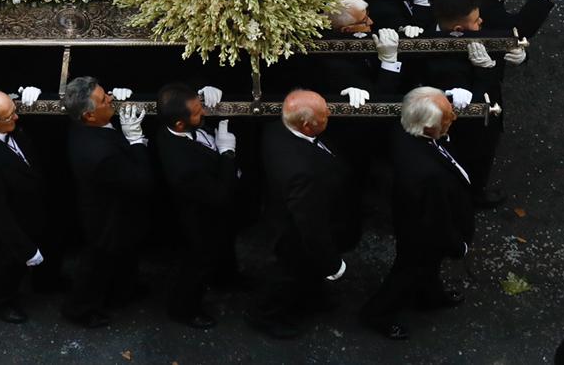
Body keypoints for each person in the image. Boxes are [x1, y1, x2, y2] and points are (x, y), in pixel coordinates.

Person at [360, 87, 476, 341]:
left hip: (412, 217)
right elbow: (437, 220)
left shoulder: (404, 129)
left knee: (425, 268)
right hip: (421, 231)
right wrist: (458, 247)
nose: (452, 119)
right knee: (408, 272)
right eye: (446, 118)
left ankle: (429, 297)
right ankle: (377, 314)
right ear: (427, 128)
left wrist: (445, 96)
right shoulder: (427, 175)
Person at [248, 89, 357, 339]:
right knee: (288, 276)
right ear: (307, 126)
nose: (329, 115)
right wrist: (333, 263)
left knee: (302, 274)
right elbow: (311, 224)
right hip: (293, 234)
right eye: (324, 116)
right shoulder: (302, 172)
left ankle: (311, 298)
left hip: (283, 212)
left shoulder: (277, 129)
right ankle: (265, 316)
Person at [60, 77, 152, 328]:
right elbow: (141, 180)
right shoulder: (98, 152)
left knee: (121, 255)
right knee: (98, 264)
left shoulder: (86, 126)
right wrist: (136, 141)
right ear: (89, 115)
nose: (110, 99)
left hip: (110, 205)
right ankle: (79, 309)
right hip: (107, 215)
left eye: (106, 93)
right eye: (104, 99)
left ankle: (120, 293)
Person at [153, 81, 235, 330]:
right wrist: (227, 153)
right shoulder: (184, 166)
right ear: (180, 123)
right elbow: (220, 195)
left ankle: (227, 277)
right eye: (199, 113)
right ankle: (185, 310)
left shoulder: (174, 127)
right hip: (198, 220)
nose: (204, 114)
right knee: (196, 265)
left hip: (205, 211)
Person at [0, 87, 52, 324]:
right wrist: (24, 248)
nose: (16, 117)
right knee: (10, 263)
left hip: (32, 206)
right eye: (9, 116)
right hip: (16, 222)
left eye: (14, 111)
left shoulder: (8, 128)